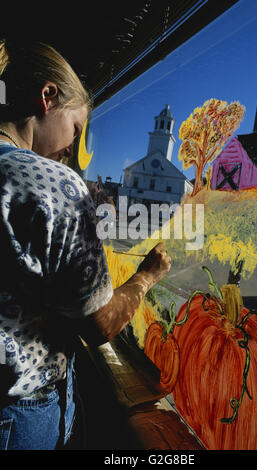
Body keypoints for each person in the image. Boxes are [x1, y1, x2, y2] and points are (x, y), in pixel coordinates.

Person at [0, 39, 171, 450]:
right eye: (75, 129)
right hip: (19, 416)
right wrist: (147, 276)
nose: (71, 150)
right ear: (47, 97)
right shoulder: (52, 183)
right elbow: (99, 324)